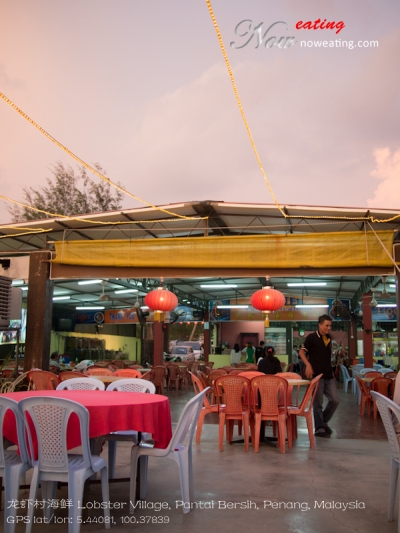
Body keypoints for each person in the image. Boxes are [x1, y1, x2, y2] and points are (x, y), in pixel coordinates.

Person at [299, 314, 340, 438]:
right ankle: (319, 428)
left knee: (335, 400)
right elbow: (302, 351)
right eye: (326, 325)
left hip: (328, 375)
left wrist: (332, 372)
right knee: (318, 403)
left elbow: (326, 357)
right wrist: (308, 365)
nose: (329, 328)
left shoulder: (328, 338)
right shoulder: (311, 337)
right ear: (320, 325)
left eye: (330, 326)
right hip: (317, 376)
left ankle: (323, 421)